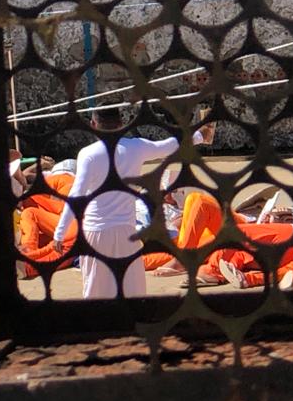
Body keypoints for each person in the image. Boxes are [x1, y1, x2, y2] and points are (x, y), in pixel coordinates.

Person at [52, 107, 214, 298]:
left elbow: (76, 194)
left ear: (93, 125)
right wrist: (200, 136)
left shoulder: (88, 154)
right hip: (127, 233)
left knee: (95, 295)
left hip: (96, 233)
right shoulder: (135, 147)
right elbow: (170, 145)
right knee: (133, 294)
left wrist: (60, 233)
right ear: (121, 124)